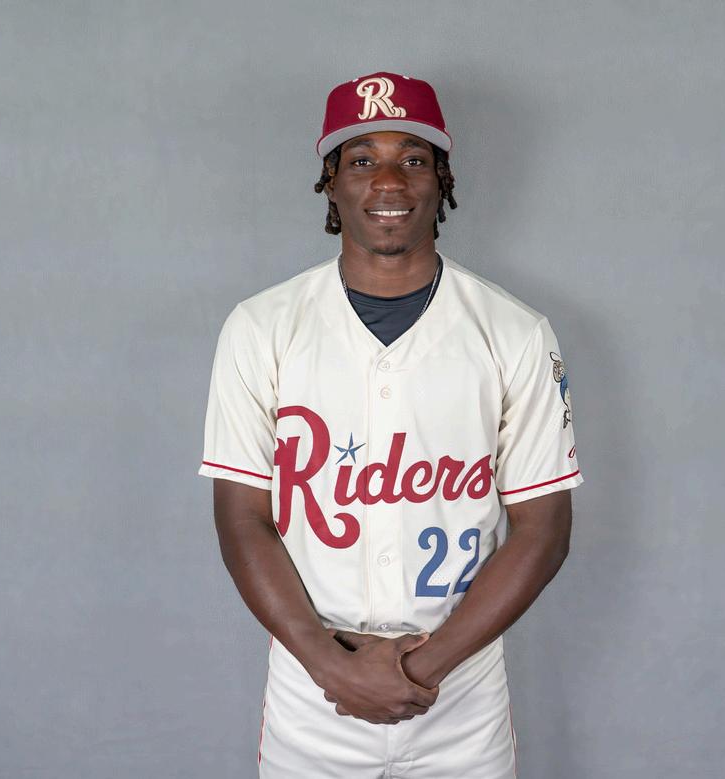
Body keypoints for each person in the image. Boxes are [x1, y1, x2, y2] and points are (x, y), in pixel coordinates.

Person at [198, 71, 582, 778]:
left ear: (441, 178)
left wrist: (417, 669)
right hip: (314, 687)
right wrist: (331, 668)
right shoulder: (260, 328)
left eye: (412, 157)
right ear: (331, 181)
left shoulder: (514, 332)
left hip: (459, 688)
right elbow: (242, 519)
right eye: (361, 159)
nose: (388, 180)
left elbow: (543, 530)